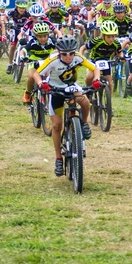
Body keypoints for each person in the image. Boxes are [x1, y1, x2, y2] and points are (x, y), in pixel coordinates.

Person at [32, 35, 101, 177]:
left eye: (71, 53)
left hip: (71, 87)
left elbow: (95, 68)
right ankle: (58, 158)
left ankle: (83, 124)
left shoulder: (78, 57)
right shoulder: (53, 60)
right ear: (59, 52)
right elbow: (36, 74)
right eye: (64, 54)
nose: (68, 57)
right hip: (55, 90)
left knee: (85, 102)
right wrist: (41, 84)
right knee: (57, 126)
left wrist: (96, 79)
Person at [21, 22, 57, 105]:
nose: (43, 39)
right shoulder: (32, 42)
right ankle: (28, 93)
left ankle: (50, 95)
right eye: (40, 36)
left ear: (48, 35)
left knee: (49, 77)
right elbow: (23, 51)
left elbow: (59, 49)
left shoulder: (51, 41)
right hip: (33, 61)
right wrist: (23, 57)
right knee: (31, 76)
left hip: (46, 61)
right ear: (36, 36)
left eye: (45, 36)